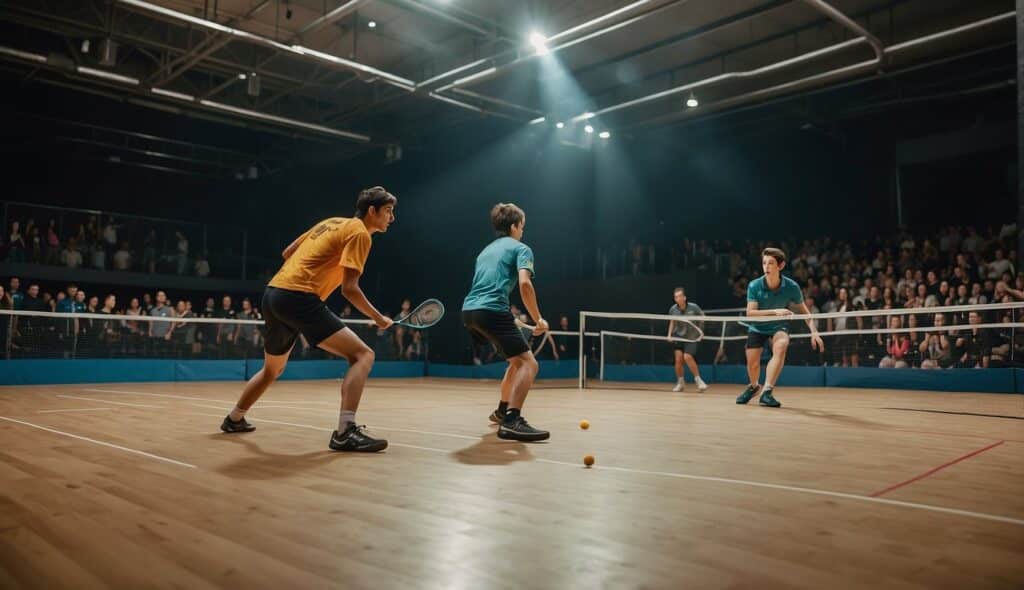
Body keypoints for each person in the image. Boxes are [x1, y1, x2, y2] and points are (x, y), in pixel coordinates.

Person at [221, 186, 397, 453]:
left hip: (274, 293)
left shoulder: (331, 222)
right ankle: (345, 432)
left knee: (272, 370)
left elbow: (288, 252)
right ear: (371, 211)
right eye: (387, 211)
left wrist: (315, 268)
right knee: (363, 355)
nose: (391, 218)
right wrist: (378, 318)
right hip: (298, 297)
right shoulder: (361, 234)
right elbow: (349, 288)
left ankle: (234, 419)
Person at [462, 203, 550, 442]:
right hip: (491, 310)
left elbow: (486, 286)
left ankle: (502, 411)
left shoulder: (485, 251)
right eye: (522, 226)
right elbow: (524, 284)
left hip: (470, 311)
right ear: (514, 226)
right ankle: (512, 420)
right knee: (529, 364)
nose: (523, 231)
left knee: (515, 361)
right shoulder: (522, 249)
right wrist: (538, 318)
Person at [736, 248, 824, 408]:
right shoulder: (754, 285)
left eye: (770, 263)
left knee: (781, 346)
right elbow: (750, 313)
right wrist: (775, 311)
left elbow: (805, 312)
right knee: (753, 364)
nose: (766, 266)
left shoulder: (792, 287)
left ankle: (767, 391)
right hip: (757, 327)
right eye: (764, 263)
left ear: (780, 265)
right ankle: (754, 386)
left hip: (778, 326)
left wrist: (814, 332)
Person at [666, 287, 708, 392]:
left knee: (687, 357)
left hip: (692, 338)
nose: (678, 298)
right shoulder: (673, 309)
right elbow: (672, 322)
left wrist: (701, 332)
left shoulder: (694, 307)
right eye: (676, 297)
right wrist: (669, 335)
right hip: (679, 337)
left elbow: (703, 318)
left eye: (680, 296)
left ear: (684, 297)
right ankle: (680, 383)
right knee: (678, 360)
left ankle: (699, 381)